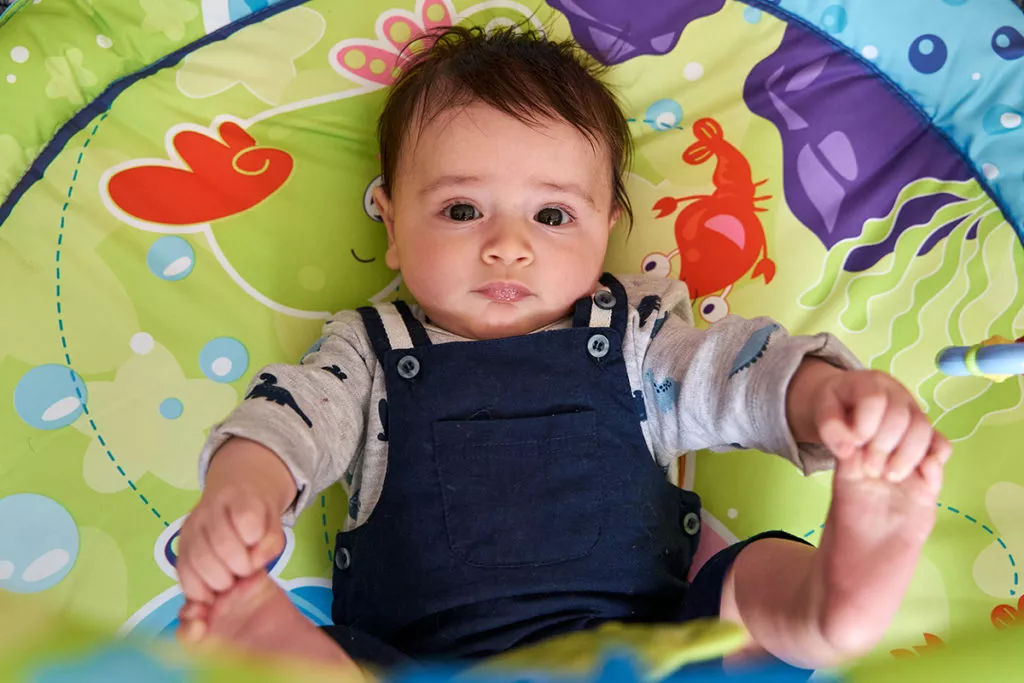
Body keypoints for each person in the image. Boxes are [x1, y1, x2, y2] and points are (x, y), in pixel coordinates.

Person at [174, 25, 952, 676]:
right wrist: (246, 489)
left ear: (607, 224)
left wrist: (820, 398)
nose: (507, 245)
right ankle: (265, 635)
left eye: (550, 215)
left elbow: (732, 375)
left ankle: (829, 606)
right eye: (462, 208)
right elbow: (295, 415)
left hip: (648, 655)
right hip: (427, 662)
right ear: (390, 223)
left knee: (744, 590)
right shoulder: (369, 354)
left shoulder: (638, 343)